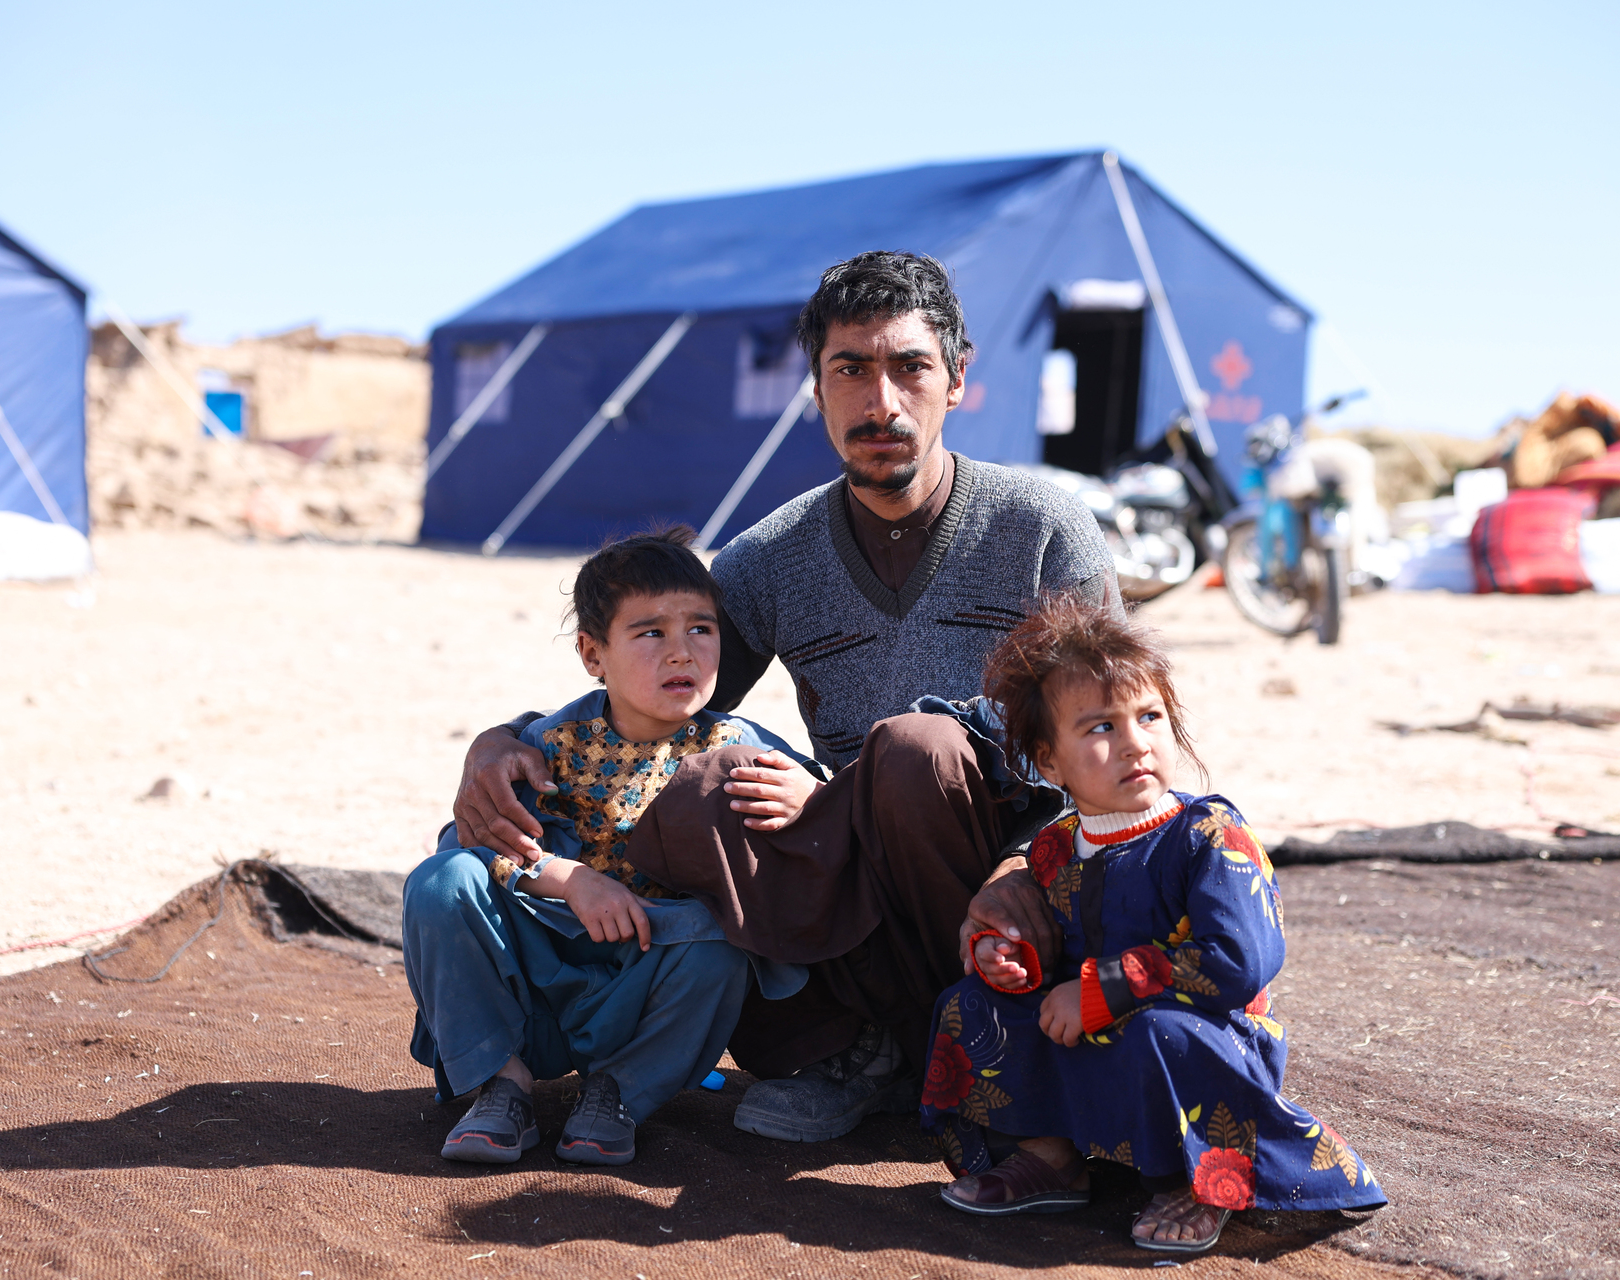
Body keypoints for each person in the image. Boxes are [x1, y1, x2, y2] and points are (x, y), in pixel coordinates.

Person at [453, 251, 1122, 1144]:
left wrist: (1015, 862)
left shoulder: (1042, 531)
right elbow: (655, 706)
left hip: (1015, 861)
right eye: (850, 368)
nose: (880, 401)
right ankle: (867, 1049)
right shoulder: (771, 558)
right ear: (815, 389)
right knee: (699, 793)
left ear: (957, 380)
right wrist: (504, 738)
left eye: (910, 367)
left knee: (918, 751)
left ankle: (977, 1041)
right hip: (853, 876)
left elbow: (1113, 740)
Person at [919, 593, 1386, 1253]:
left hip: (1205, 1037)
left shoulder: (1208, 834)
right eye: (1100, 727)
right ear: (1049, 761)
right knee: (970, 1005)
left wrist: (1107, 988)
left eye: (1149, 715)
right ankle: (1052, 1156)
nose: (1135, 742)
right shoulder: (1055, 848)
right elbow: (1050, 955)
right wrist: (1012, 960)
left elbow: (1239, 961)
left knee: (1160, 1035)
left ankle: (1197, 1182)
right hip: (1089, 1025)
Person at [402, 527, 813, 1167]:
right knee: (438, 881)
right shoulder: (545, 745)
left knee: (719, 944)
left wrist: (807, 798)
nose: (682, 653)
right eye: (651, 633)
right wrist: (570, 879)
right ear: (593, 654)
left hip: (646, 984)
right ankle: (499, 1084)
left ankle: (618, 1094)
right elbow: (474, 845)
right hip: (532, 977)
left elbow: (822, 819)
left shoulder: (745, 748)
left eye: (701, 630)